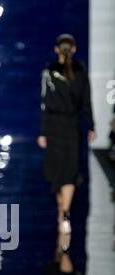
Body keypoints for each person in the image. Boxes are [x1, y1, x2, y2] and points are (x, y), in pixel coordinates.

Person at [37, 34, 96, 234]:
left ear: (56, 49)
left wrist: (42, 132)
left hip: (55, 126)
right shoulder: (80, 71)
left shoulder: (49, 71)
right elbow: (87, 101)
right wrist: (92, 126)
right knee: (69, 170)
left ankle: (63, 210)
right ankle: (65, 210)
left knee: (59, 170)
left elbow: (44, 103)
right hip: (72, 125)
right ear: (74, 49)